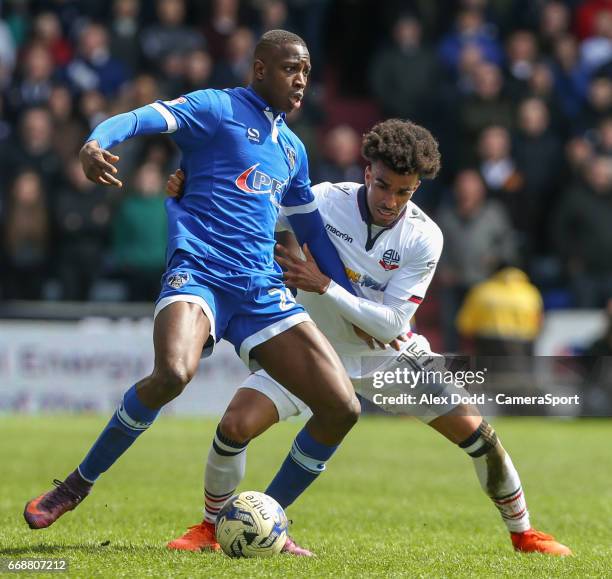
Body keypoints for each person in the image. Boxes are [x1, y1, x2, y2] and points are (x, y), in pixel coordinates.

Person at [164, 120, 571, 557]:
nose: (391, 201)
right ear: (366, 173)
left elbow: (391, 326)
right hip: (312, 347)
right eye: (384, 186)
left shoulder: (424, 236)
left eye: (404, 192)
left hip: (388, 358)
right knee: (233, 426)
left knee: (480, 438)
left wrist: (326, 287)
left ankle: (524, 534)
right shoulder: (322, 200)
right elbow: (250, 208)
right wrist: (195, 186)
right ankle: (209, 528)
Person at [23, 30, 361, 556]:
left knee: (342, 407)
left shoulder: (293, 148)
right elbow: (142, 117)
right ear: (260, 69)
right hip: (199, 271)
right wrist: (96, 141)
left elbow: (312, 231)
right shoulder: (216, 107)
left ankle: (267, 524)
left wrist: (353, 295)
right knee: (174, 373)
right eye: (292, 68)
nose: (302, 81)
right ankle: (74, 486)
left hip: (260, 288)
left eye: (308, 71)